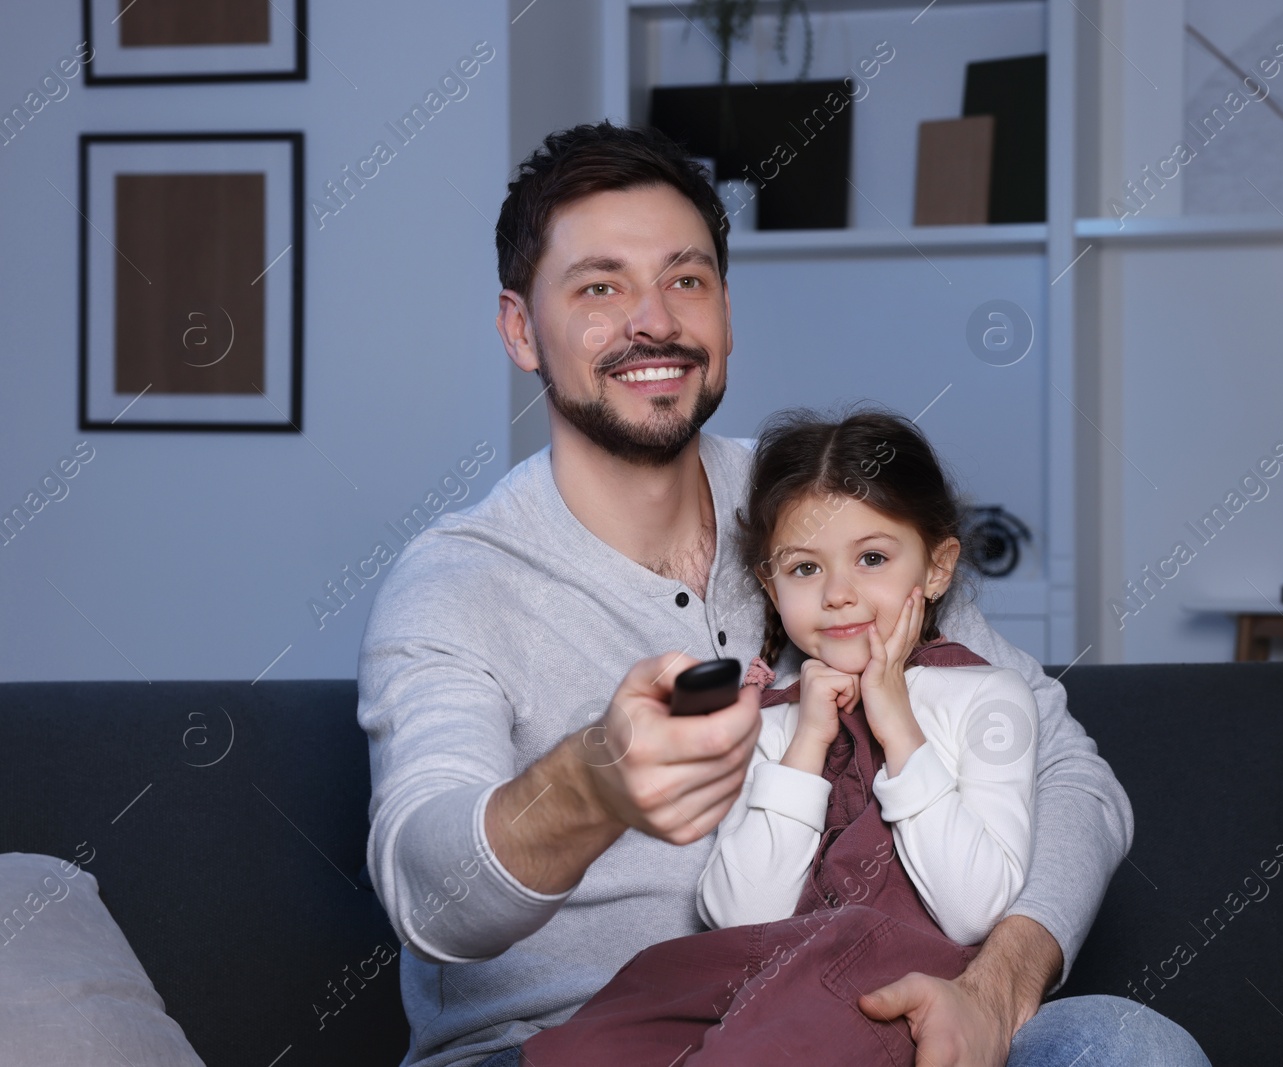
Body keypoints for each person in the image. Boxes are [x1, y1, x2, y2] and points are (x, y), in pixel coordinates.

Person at [357, 120, 1210, 1067]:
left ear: (725, 312)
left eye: (686, 280)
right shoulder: (457, 582)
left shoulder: (828, 510)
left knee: (1126, 1046)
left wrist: (993, 988)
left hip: (866, 1017)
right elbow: (428, 893)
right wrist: (590, 782)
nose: (654, 321)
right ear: (522, 329)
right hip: (554, 1044)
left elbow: (1073, 775)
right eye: (600, 286)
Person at [518, 409, 1040, 1066]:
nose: (839, 594)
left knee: (783, 1032)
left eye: (872, 558)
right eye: (804, 569)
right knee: (614, 1022)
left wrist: (895, 719)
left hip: (892, 978)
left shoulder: (988, 698)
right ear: (770, 582)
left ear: (936, 569)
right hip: (762, 969)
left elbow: (972, 910)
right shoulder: (770, 720)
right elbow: (741, 916)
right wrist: (804, 746)